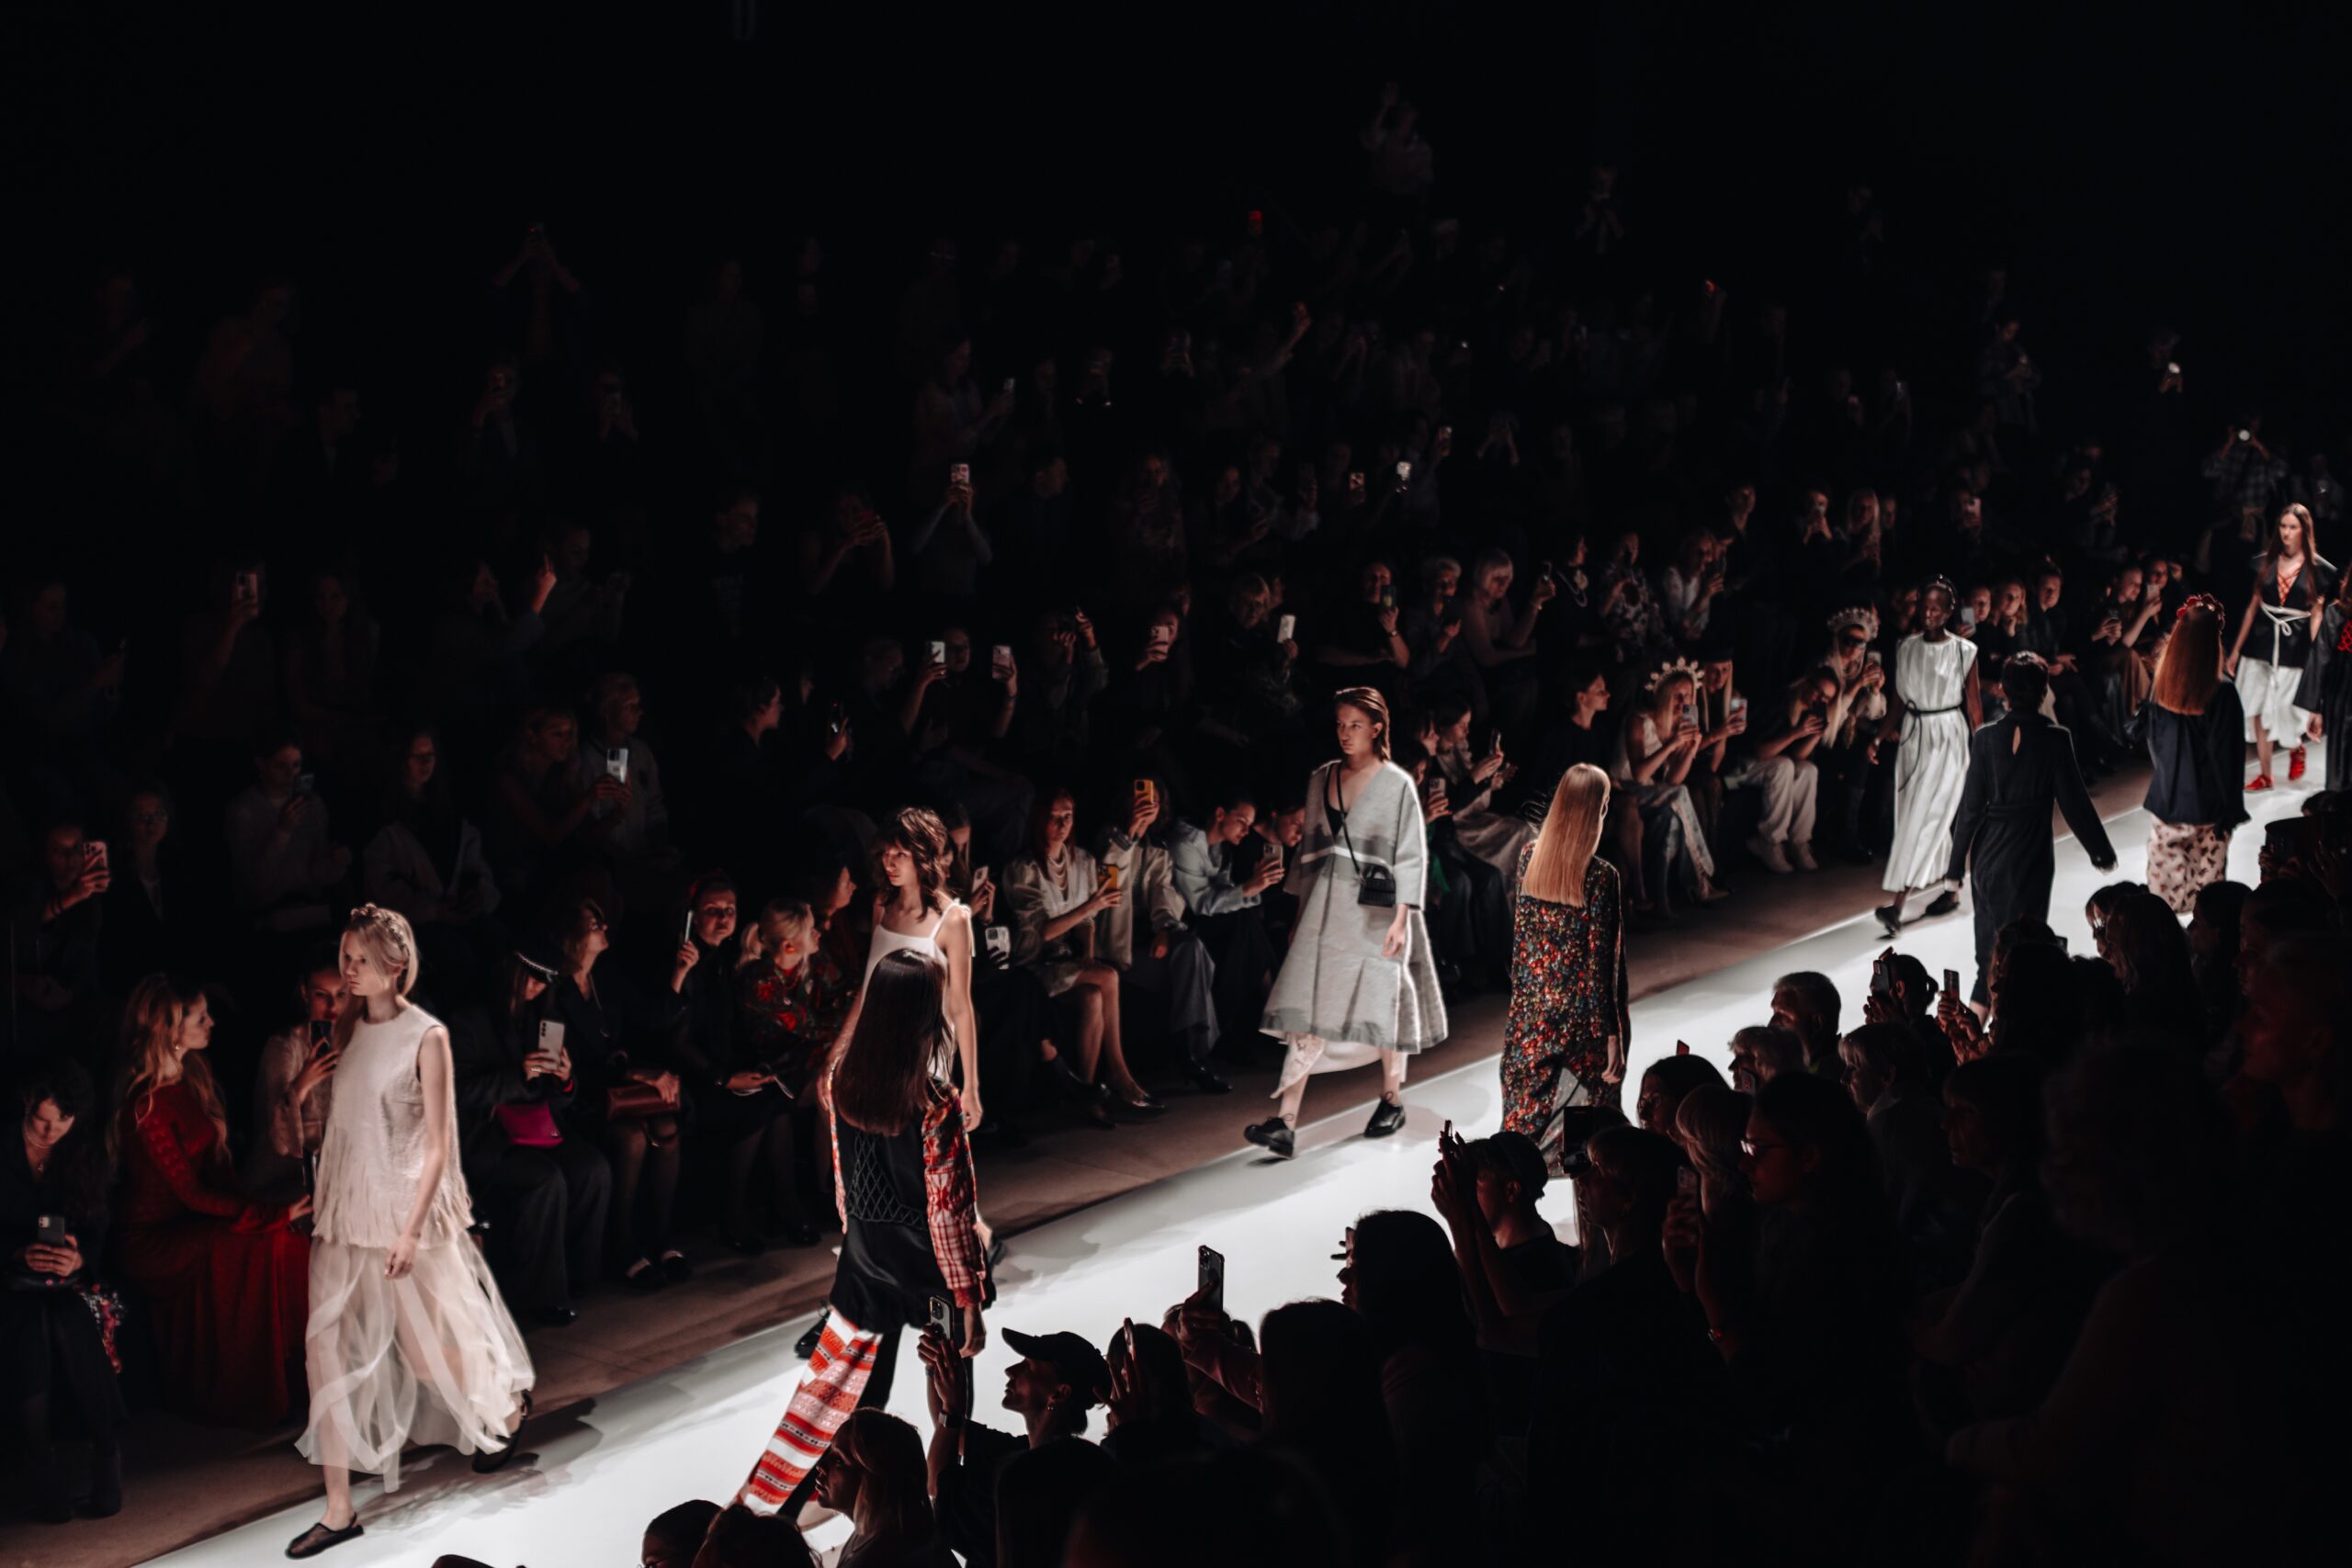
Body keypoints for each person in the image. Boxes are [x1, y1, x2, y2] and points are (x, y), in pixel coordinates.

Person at [288, 906, 533, 1558]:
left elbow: (437, 1146)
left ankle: (506, 1413)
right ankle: (339, 1508)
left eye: (359, 960)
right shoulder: (344, 1028)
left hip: (402, 1212)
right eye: (344, 958)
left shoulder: (427, 1036)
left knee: (426, 1354)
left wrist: (411, 1229)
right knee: (326, 1350)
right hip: (345, 1211)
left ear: (396, 965)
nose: (347, 971)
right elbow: (341, 1127)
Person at [742, 952, 986, 1515]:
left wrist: (856, 1246)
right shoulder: (933, 1103)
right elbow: (948, 1210)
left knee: (852, 1395)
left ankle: (798, 1507)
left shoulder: (839, 1081)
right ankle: (947, 1500)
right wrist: (967, 1296)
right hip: (928, 1265)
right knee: (949, 1388)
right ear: (924, 1013)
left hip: (865, 1257)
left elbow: (845, 1183)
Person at [1247, 688, 1447, 1159]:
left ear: (1377, 728)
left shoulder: (1396, 783)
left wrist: (1402, 919)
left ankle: (1392, 1098)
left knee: (1386, 1001)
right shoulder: (1323, 779)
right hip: (1328, 905)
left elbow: (1411, 854)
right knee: (1309, 1006)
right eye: (1339, 725)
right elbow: (1310, 852)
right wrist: (1300, 917)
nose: (1345, 733)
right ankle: (1286, 1122)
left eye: (1354, 725)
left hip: (1380, 909)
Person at [111, 975, 311, 1428]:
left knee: (290, 1242)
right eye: (200, 1017)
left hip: (196, 1220)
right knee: (262, 1241)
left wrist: (268, 1215)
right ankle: (254, 1395)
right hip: (156, 1240)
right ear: (169, 1029)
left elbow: (218, 1179)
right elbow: (190, 1192)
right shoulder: (144, 1105)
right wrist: (265, 1215)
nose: (212, 1022)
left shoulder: (191, 1079)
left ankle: (297, 1382)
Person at [447, 944, 609, 1325]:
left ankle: (580, 1278)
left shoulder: (545, 1016)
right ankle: (540, 1297)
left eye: (547, 978)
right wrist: (518, 1076)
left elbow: (558, 1099)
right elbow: (458, 1092)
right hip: (486, 1136)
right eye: (533, 974)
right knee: (545, 1179)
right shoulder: (468, 1018)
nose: (539, 985)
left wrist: (564, 1081)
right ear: (511, 968)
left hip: (537, 1127)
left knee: (592, 1168)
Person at [1945, 652, 2118, 1003]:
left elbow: (1970, 810)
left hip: (1987, 858)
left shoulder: (1985, 739)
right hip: (2028, 857)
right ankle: (2013, 1034)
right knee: (2025, 955)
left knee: (1989, 957)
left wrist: (1954, 870)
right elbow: (2074, 804)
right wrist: (2100, 852)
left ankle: (1977, 1041)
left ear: (2004, 691)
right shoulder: (2055, 738)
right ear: (2043, 692)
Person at [4, 1061, 125, 1523]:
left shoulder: (84, 1151)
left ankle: (107, 1454)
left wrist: (78, 1258)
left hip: (65, 1281)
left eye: (63, 1122)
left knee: (73, 1320)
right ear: (26, 1106)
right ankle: (43, 1467)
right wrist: (16, 1254)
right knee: (26, 1328)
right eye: (41, 1121)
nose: (51, 1131)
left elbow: (97, 1228)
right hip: (8, 1279)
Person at [1497, 765, 1630, 1156]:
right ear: (1597, 811)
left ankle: (1509, 1207)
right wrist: (1613, 1036)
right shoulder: (1601, 877)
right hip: (1582, 1029)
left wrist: (1522, 1016)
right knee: (1587, 1140)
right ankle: (1588, 1212)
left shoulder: (1528, 859)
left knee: (1522, 1134)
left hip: (1532, 1020)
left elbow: (1522, 948)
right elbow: (1599, 970)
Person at [1003, 790, 1160, 1118]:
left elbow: (1087, 921)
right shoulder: (1023, 868)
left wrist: (1087, 953)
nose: (1061, 825)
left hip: (1067, 962)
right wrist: (1091, 905)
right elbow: (1037, 933)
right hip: (1033, 966)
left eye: (1068, 817)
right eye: (1054, 817)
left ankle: (1086, 1092)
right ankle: (1118, 1071)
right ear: (1039, 819)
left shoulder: (1083, 861)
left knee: (1093, 995)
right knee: (1108, 976)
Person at [922, 1325, 1107, 1565]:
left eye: (1028, 1367)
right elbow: (951, 1431)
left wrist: (952, 1407)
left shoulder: (1036, 1477)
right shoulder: (1033, 1452)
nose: (1011, 1370)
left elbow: (939, 1483)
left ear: (1060, 1393)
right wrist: (936, 1369)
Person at [1876, 578, 1980, 934]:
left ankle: (1897, 906)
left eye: (1937, 607)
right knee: (1917, 815)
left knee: (1928, 816)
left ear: (1950, 611)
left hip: (1949, 735)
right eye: (1924, 606)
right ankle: (1951, 891)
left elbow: (1975, 707)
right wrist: (1876, 738)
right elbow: (1898, 701)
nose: (1929, 613)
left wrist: (1983, 750)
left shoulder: (1964, 651)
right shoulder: (1905, 648)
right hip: (1913, 737)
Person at [2143, 596, 2250, 911]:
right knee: (2210, 908)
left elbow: (2154, 745)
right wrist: (2230, 810)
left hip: (2167, 804)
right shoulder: (2222, 692)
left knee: (2162, 905)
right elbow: (2227, 759)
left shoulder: (2161, 685)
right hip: (2209, 809)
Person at [2225, 502, 2335, 789]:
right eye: (2283, 526)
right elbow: (2252, 607)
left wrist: (2316, 654)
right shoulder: (2264, 562)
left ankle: (2295, 746)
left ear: (2304, 530)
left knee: (2288, 709)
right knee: (2258, 706)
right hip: (2260, 642)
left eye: (2293, 527)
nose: (2286, 533)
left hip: (2293, 645)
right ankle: (2266, 774)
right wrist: (2235, 650)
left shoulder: (2318, 570)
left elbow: (2316, 615)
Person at [815, 1409, 956, 1567]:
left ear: (874, 1478)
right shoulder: (867, 1537)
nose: (820, 1466)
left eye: (839, 1460)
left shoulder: (885, 1557)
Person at [2293, 562, 2352, 792]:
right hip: (2342, 698)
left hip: (2341, 698)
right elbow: (2321, 660)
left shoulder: (2335, 614)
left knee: (2340, 769)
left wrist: (2316, 709)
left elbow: (2321, 659)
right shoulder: (2336, 615)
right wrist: (2315, 708)